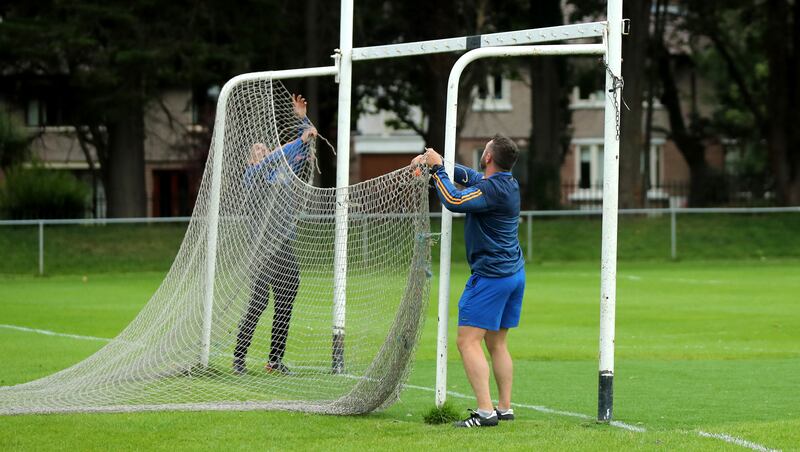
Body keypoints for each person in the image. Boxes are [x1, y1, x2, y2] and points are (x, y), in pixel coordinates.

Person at [412, 134, 525, 428]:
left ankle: (485, 412)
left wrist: (437, 171)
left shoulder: (492, 190)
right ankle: (504, 407)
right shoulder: (506, 182)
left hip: (492, 277)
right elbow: (469, 175)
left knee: (466, 342)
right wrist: (435, 160)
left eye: (485, 149)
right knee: (497, 343)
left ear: (488, 157)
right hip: (513, 274)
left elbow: (453, 200)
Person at [233, 94, 317, 376]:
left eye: (264, 149)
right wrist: (297, 142)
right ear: (250, 160)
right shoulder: (252, 175)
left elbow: (304, 143)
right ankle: (239, 358)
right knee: (258, 302)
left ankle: (275, 359)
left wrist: (301, 119)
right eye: (257, 151)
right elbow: (278, 157)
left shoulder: (282, 174)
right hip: (261, 248)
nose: (263, 152)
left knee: (287, 296)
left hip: (284, 245)